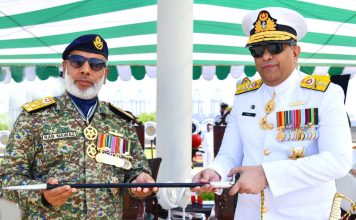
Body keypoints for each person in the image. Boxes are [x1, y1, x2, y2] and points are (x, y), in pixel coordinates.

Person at [192, 7, 352, 220]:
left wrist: (267, 175)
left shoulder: (325, 94)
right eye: (257, 50)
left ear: (295, 52)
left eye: (275, 48)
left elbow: (338, 160)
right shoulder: (244, 96)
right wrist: (215, 172)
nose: (266, 56)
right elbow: (230, 154)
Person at [0, 34, 158, 219]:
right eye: (77, 62)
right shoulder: (34, 118)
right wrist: (41, 196)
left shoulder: (120, 122)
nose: (85, 70)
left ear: (105, 74)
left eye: (96, 65)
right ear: (65, 67)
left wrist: (139, 182)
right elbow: (6, 180)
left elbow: (136, 170)